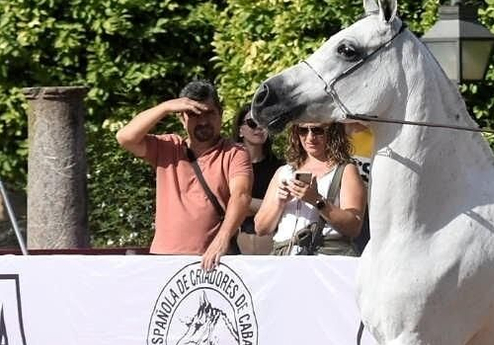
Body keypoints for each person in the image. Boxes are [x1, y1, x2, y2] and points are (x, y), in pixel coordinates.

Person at [117, 80, 252, 271]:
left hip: (211, 261)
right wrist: (165, 107)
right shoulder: (167, 147)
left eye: (209, 113)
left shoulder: (234, 152)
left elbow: (241, 195)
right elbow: (125, 137)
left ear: (220, 114)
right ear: (181, 118)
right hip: (164, 259)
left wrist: (222, 239)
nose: (203, 121)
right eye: (194, 114)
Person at [252, 120, 366, 255]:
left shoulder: (345, 170)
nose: (310, 137)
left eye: (317, 130)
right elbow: (260, 228)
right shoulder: (284, 171)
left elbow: (354, 226)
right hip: (285, 257)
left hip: (327, 256)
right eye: (303, 130)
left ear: (332, 131)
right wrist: (279, 202)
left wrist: (316, 200)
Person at [232, 103, 283, 254]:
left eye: (264, 123)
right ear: (240, 130)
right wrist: (271, 205)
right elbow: (225, 203)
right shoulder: (229, 165)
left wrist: (241, 202)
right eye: (252, 123)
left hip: (271, 245)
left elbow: (285, 207)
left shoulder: (281, 167)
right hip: (234, 246)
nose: (259, 128)